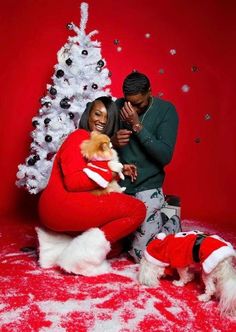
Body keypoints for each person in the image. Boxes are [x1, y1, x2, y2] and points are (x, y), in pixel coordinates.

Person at [37, 96, 146, 276]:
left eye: (107, 117)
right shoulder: (78, 136)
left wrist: (118, 170)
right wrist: (110, 173)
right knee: (137, 209)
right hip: (60, 205)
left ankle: (57, 247)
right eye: (97, 114)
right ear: (88, 114)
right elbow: (73, 182)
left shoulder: (94, 141)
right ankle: (82, 255)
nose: (102, 121)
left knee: (115, 247)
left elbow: (93, 175)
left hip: (66, 207)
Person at [112, 72, 182, 262]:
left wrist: (138, 127)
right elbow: (93, 139)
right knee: (108, 245)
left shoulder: (166, 110)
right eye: (129, 103)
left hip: (147, 186)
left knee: (141, 255)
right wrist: (113, 141)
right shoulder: (116, 107)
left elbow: (165, 156)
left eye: (138, 104)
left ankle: (171, 219)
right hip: (119, 185)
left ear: (150, 92)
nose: (132, 108)